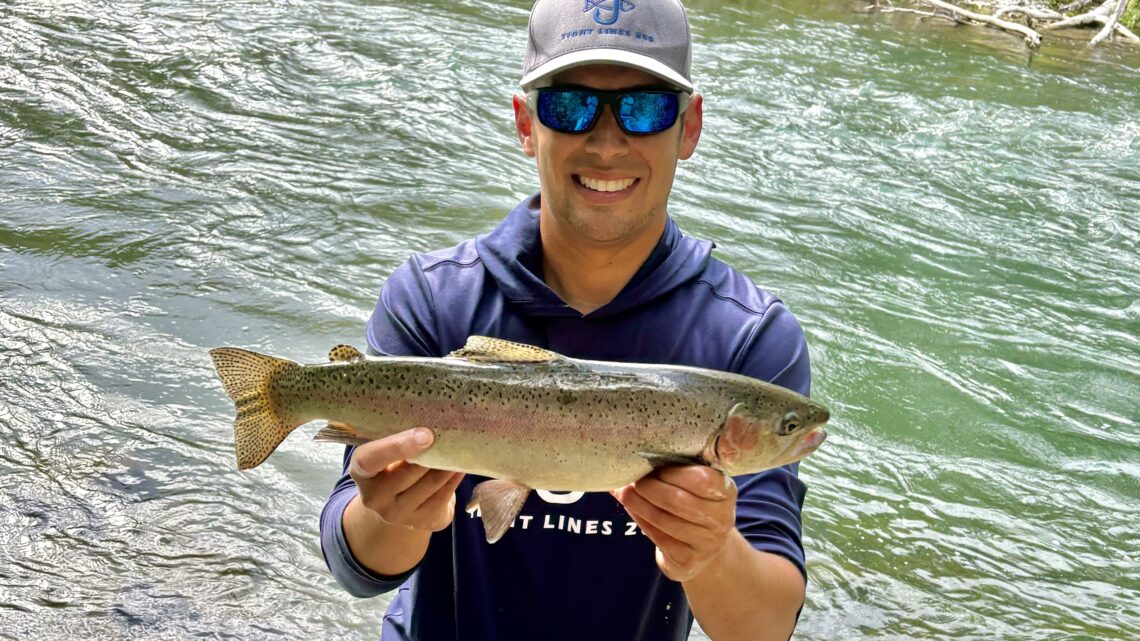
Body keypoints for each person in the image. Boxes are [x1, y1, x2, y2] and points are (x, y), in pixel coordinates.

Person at [319, 1, 815, 639]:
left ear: (688, 128)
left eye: (644, 108)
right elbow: (358, 569)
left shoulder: (749, 337)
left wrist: (713, 551)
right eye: (570, 107)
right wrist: (391, 513)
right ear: (527, 124)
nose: (607, 144)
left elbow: (765, 628)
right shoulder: (432, 298)